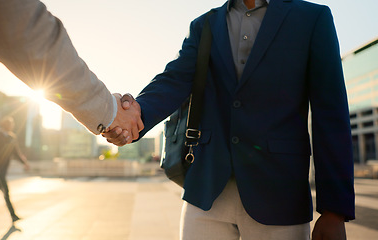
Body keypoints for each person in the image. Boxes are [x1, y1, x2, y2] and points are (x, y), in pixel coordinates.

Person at [103, 0, 355, 239]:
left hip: (280, 193)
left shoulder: (312, 18)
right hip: (206, 191)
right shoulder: (205, 24)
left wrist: (334, 210)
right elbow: (174, 79)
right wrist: (135, 115)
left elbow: (330, 114)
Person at [0, 0, 143, 239]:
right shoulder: (0, 134)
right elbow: (18, 22)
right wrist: (108, 109)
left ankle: (0, 212)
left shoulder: (9, 135)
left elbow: (12, 149)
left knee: (0, 192)